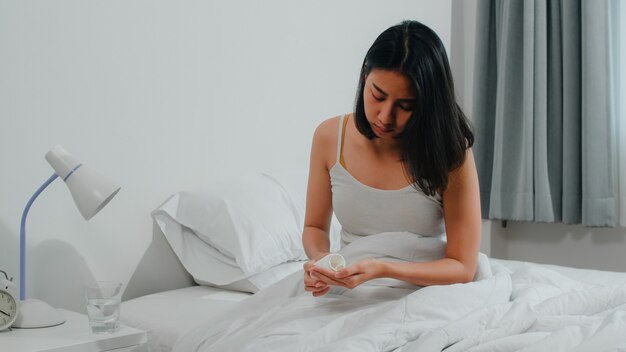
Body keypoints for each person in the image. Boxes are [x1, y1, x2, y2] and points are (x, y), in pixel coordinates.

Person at [302, 20, 481, 297]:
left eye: (405, 105)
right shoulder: (329, 138)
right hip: (349, 286)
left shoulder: (451, 152)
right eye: (378, 95)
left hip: (424, 291)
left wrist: (384, 269)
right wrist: (322, 262)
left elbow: (462, 267)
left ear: (428, 103)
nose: (386, 117)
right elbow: (314, 227)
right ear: (364, 77)